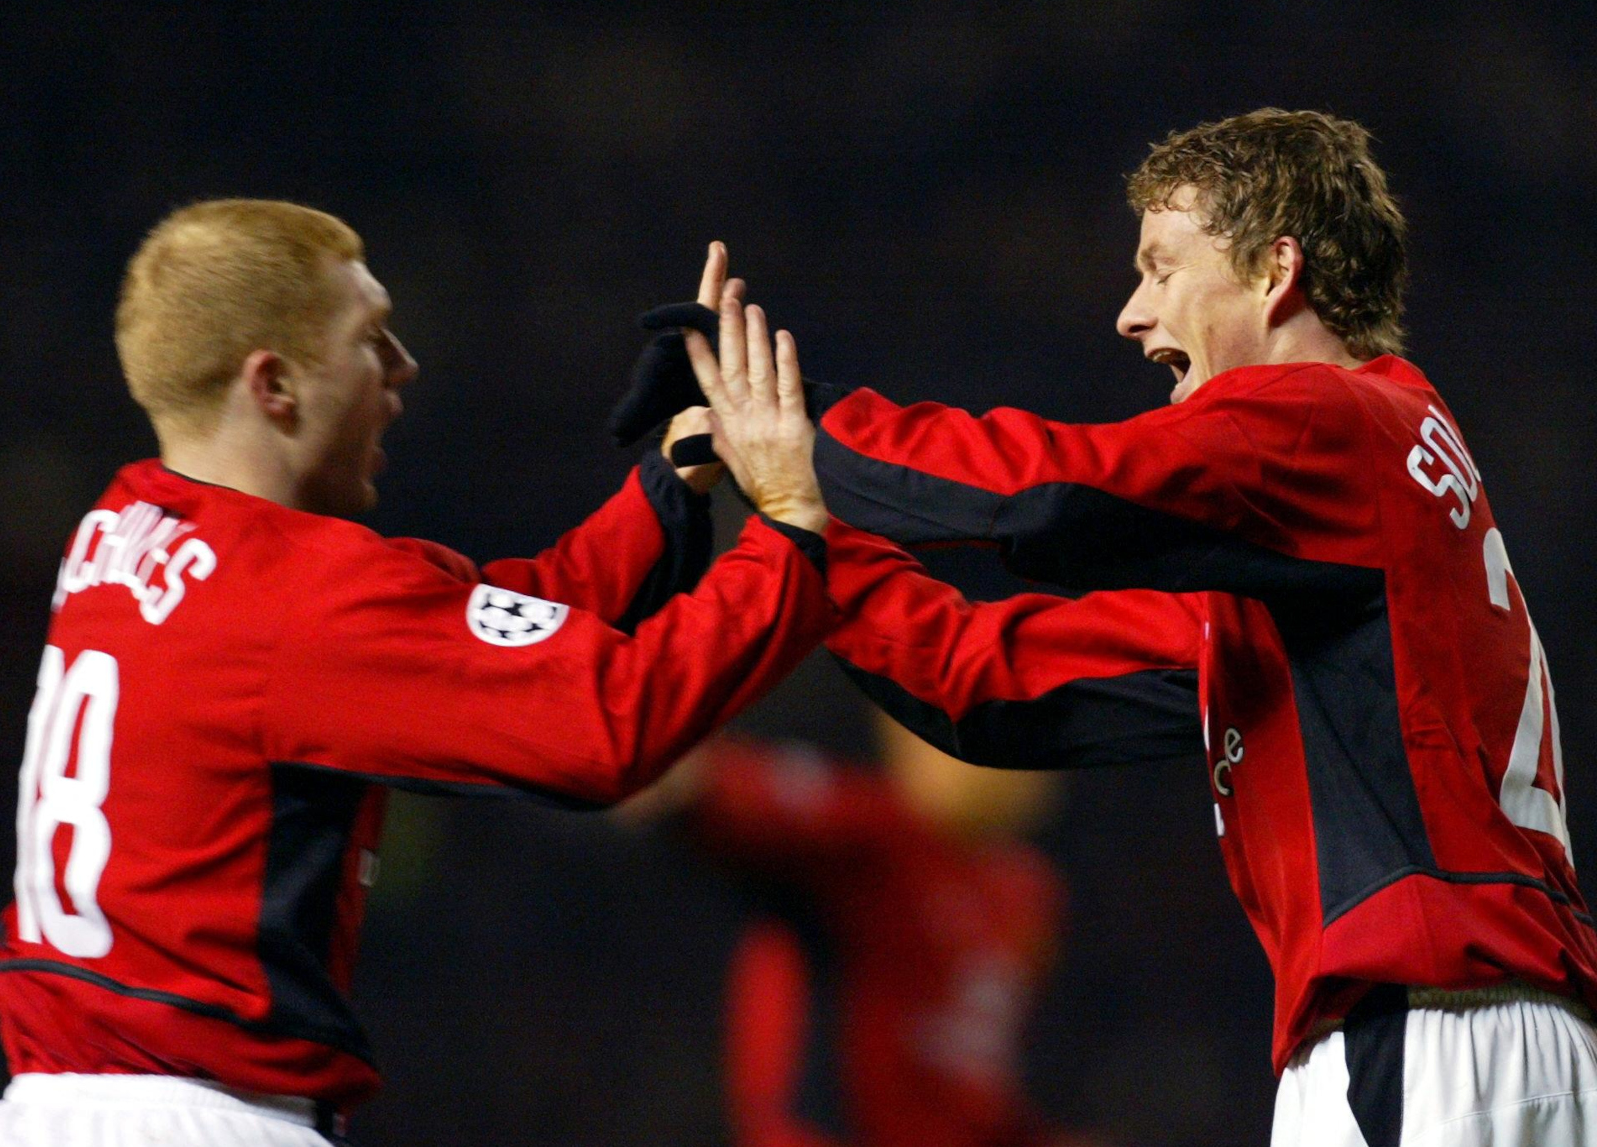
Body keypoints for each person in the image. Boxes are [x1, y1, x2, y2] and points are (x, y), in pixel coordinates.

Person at [634, 110, 1597, 1145]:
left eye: (1161, 267)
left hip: (1419, 1037)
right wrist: (804, 527)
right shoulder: (1340, 524)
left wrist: (795, 421)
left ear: (1275, 273)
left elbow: (1047, 493)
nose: (1131, 315)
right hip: (1490, 1033)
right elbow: (994, 689)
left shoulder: (1331, 421)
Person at [0, 201, 831, 1146]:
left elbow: (478, 632)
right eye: (371, 339)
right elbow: (607, 722)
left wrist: (671, 483)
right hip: (202, 1117)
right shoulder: (296, 596)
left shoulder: (122, 523)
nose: (402, 368)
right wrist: (793, 529)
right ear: (274, 384)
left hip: (50, 1105)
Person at [624, 711, 1109, 1147]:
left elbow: (970, 1080)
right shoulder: (870, 832)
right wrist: (654, 761)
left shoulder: (1026, 892)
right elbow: (728, 788)